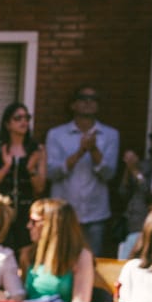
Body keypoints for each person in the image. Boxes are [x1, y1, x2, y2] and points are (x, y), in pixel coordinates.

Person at [45, 84, 119, 257]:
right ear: (73, 104)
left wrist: (93, 151)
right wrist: (79, 153)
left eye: (93, 99)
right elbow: (51, 173)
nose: (88, 102)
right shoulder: (56, 134)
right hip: (64, 213)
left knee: (92, 262)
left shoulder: (110, 135)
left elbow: (109, 175)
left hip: (96, 214)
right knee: (60, 260)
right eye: (83, 98)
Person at [0, 103, 46, 255]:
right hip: (3, 210)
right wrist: (6, 166)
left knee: (26, 253)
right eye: (18, 118)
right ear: (7, 124)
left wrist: (31, 169)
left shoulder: (37, 149)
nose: (23, 122)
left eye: (26, 118)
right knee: (1, 251)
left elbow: (40, 187)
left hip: (27, 209)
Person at [20, 198, 94, 302]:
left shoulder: (80, 256)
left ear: (52, 225)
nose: (28, 226)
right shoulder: (28, 254)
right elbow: (20, 295)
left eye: (34, 222)